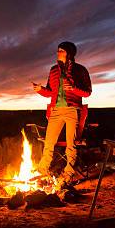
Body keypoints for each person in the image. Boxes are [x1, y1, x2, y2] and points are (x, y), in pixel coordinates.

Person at [33, 41, 92, 184]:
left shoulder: (80, 70)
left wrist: (73, 88)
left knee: (71, 145)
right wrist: (40, 90)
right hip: (56, 111)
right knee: (49, 143)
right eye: (58, 50)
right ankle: (42, 170)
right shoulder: (53, 70)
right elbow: (50, 92)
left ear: (69, 53)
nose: (58, 53)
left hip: (72, 110)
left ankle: (69, 172)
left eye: (62, 51)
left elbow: (87, 92)